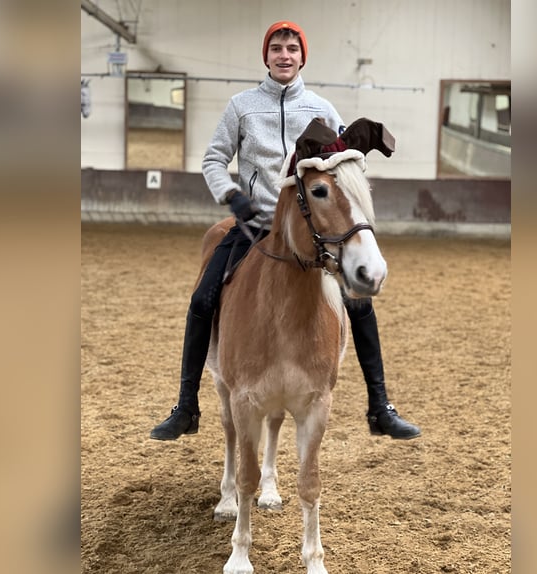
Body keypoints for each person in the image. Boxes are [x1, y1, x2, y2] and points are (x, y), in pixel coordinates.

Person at [150, 20, 420, 441]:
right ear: (267, 56)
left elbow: (345, 165)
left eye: (292, 48)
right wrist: (233, 197)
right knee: (203, 297)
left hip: (309, 230)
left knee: (359, 301)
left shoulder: (322, 108)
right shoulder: (241, 106)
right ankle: (186, 405)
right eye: (277, 48)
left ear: (301, 56)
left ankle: (380, 407)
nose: (284, 55)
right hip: (255, 225)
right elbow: (213, 160)